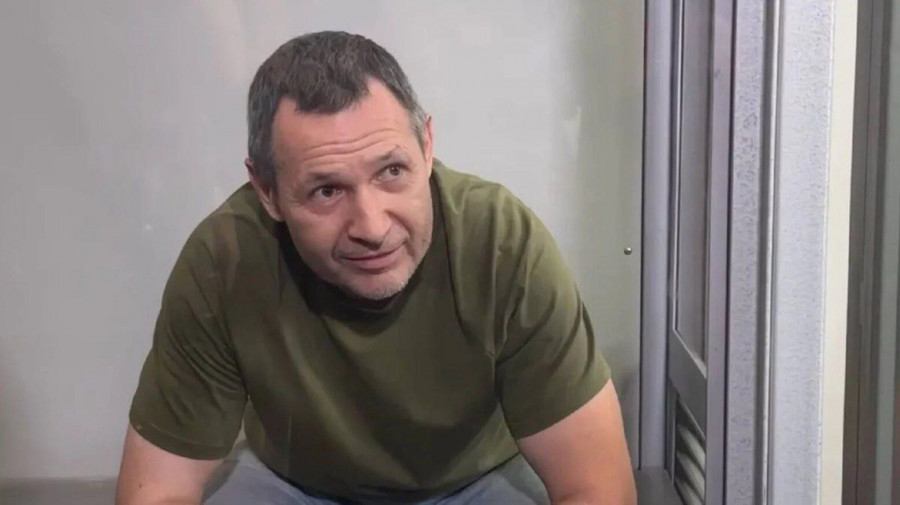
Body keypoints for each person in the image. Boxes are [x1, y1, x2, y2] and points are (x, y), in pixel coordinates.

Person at [115, 31, 636, 505]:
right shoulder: (223, 260)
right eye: (326, 190)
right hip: (292, 486)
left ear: (426, 147)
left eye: (391, 171)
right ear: (267, 192)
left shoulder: (502, 243)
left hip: (475, 481)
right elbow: (158, 490)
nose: (371, 225)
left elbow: (596, 486)